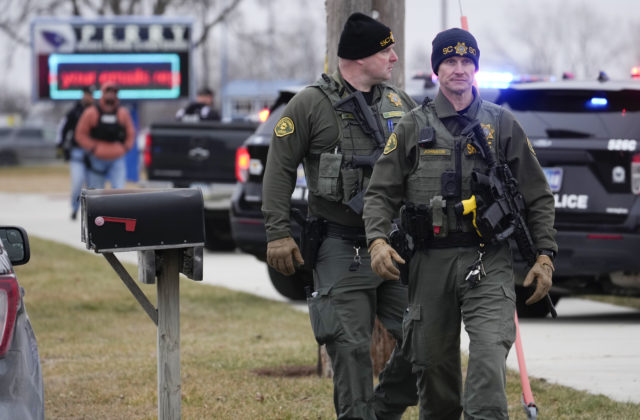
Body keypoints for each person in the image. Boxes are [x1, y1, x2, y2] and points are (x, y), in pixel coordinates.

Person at [363, 28, 558, 419]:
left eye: (467, 61)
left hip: (487, 261)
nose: (459, 69)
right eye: (450, 61)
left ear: (476, 68)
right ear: (437, 70)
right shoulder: (412, 127)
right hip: (429, 263)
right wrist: (378, 241)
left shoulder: (500, 125)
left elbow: (538, 195)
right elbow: (379, 193)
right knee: (434, 369)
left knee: (488, 357)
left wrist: (545, 255)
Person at [261, 12, 418, 420]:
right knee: (349, 349)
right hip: (340, 245)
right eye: (387, 50)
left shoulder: (401, 104)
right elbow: (278, 169)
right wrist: (278, 232)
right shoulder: (310, 104)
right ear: (359, 57)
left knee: (425, 337)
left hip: (396, 245)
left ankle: (381, 411)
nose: (395, 58)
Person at [75, 81, 136, 190]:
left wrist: (125, 147)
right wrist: (93, 147)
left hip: (117, 158)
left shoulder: (122, 113)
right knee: (96, 193)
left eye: (113, 92)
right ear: (103, 93)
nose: (111, 95)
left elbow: (131, 133)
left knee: (119, 191)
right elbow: (80, 134)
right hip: (97, 159)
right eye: (108, 92)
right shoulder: (91, 112)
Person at [55, 86, 95, 219]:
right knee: (77, 183)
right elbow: (63, 128)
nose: (88, 97)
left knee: (93, 186)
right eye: (86, 94)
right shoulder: (74, 111)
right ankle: (75, 208)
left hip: (93, 153)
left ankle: (91, 212)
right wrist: (60, 146)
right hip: (77, 152)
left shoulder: (97, 111)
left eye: (90, 94)